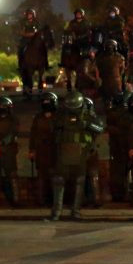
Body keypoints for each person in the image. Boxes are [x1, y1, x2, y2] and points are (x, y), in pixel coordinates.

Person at [50, 91, 102, 220]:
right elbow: (53, 129)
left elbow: (99, 128)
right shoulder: (61, 115)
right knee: (59, 181)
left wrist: (87, 124)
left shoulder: (88, 115)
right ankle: (57, 211)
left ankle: (76, 211)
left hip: (81, 153)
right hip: (64, 152)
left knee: (79, 181)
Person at [29, 92, 58, 206]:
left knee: (54, 176)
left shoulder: (58, 117)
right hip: (41, 151)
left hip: (54, 150)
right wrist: (32, 150)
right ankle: (41, 200)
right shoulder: (38, 117)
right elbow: (33, 134)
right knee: (41, 176)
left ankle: (54, 200)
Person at [0, 97, 20, 207]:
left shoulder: (13, 120)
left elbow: (13, 133)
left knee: (11, 176)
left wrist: (2, 142)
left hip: (8, 152)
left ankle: (14, 200)